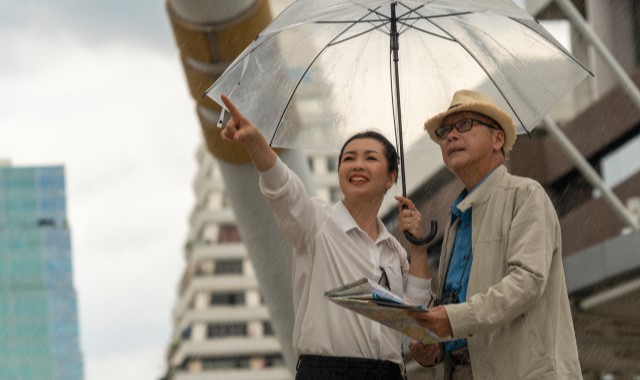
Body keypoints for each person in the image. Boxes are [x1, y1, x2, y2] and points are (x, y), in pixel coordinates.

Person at [219, 95, 432, 380]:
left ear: (391, 177)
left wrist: (418, 249)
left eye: (370, 158)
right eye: (348, 159)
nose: (357, 165)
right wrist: (256, 143)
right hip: (327, 373)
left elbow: (414, 323)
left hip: (388, 373)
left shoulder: (393, 250)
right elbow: (284, 188)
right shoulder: (316, 222)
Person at [405, 89, 582, 379]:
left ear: (497, 139)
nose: (450, 136)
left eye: (464, 125)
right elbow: (456, 307)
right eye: (445, 131)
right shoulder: (456, 221)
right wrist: (435, 347)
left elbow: (526, 283)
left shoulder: (526, 195)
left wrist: (452, 320)